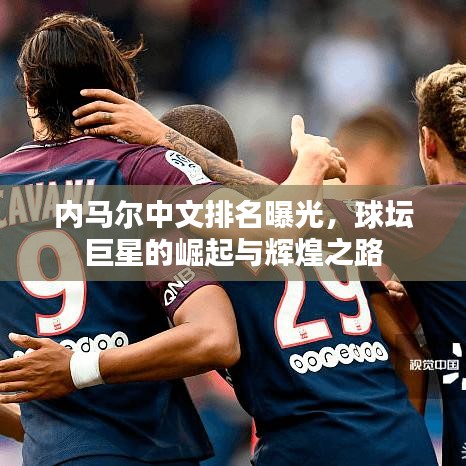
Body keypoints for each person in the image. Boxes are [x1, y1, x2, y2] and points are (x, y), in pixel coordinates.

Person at [0, 13, 345, 466]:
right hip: (152, 448)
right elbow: (265, 238)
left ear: (30, 92)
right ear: (117, 87)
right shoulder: (141, 169)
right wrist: (312, 163)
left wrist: (58, 437)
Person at [26, 96, 438, 465]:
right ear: (238, 168)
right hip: (402, 441)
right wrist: (401, 433)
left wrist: (78, 368)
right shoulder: (329, 229)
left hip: (305, 445)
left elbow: (209, 341)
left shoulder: (191, 250)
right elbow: (409, 353)